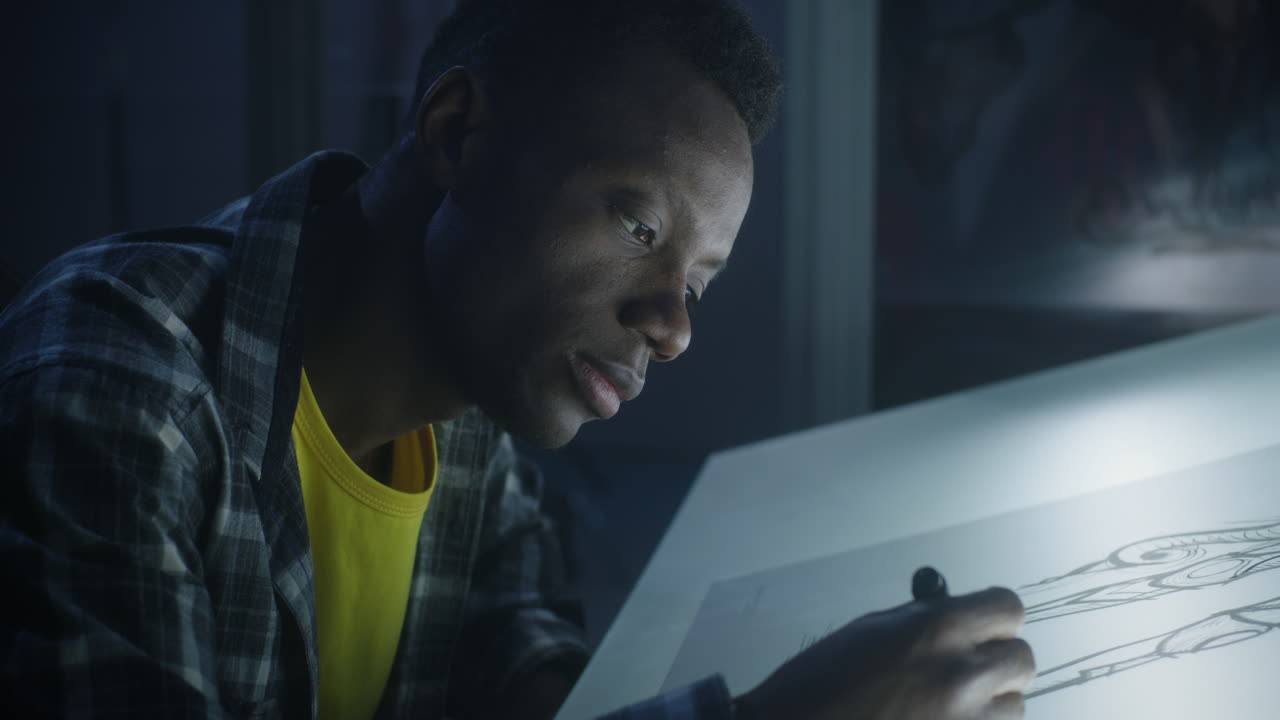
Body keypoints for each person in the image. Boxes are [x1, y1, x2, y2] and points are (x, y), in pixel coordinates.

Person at [0, 1, 1035, 718]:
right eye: (637, 227)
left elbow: (540, 692)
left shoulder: (473, 451)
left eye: (700, 282)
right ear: (457, 132)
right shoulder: (117, 383)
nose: (671, 326)